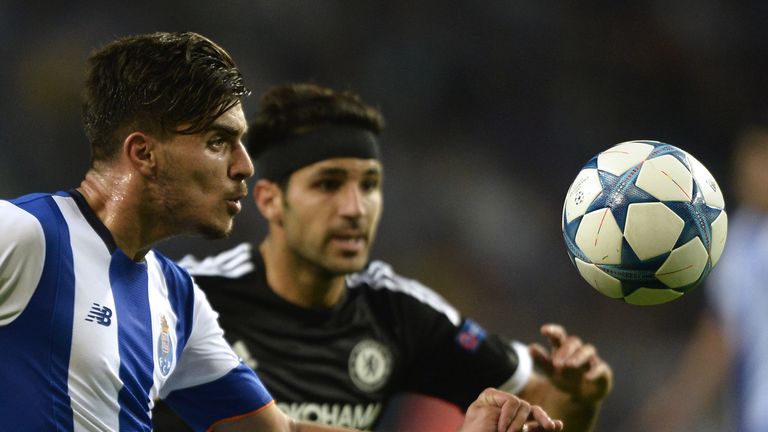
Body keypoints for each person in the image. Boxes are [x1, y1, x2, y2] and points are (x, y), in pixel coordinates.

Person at [0, 31, 562, 432]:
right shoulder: (30, 236)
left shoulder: (174, 298)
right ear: (143, 153)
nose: (245, 165)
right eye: (220, 142)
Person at [153, 82, 613, 431]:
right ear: (271, 200)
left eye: (369, 185)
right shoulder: (189, 298)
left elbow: (539, 409)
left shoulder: (395, 310)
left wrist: (575, 397)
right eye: (329, 184)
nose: (355, 209)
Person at [629, 123, 768, 432]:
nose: (750, 172)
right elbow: (722, 333)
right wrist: (679, 401)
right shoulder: (739, 238)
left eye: (762, 160)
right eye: (746, 159)